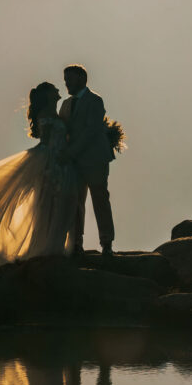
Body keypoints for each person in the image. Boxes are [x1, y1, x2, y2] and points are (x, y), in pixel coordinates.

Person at [0, 82, 78, 263]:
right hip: (52, 163)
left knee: (60, 204)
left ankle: (54, 245)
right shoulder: (46, 115)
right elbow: (46, 141)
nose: (58, 91)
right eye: (54, 89)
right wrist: (47, 160)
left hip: (63, 163)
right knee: (47, 203)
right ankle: (44, 247)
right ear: (48, 95)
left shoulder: (59, 113)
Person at [59, 64, 116, 257]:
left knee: (100, 199)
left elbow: (91, 130)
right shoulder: (66, 104)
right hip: (74, 164)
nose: (66, 82)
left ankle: (106, 243)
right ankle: (76, 243)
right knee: (75, 202)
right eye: (65, 78)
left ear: (82, 78)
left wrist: (71, 152)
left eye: (70, 78)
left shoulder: (95, 100)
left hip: (94, 160)